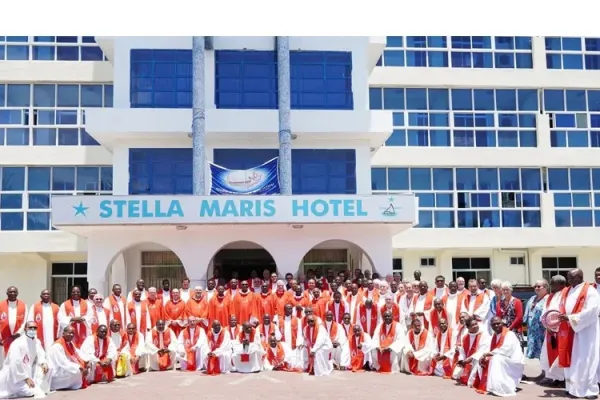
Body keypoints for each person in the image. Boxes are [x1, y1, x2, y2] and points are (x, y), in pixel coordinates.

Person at [556, 268, 600, 399]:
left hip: (585, 332)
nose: (569, 280)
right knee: (571, 359)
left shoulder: (590, 291)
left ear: (580, 277)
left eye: (572, 277)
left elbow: (592, 311)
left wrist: (570, 318)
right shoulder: (567, 290)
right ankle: (572, 387)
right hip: (568, 331)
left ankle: (589, 390)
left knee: (586, 359)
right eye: (568, 277)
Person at [472, 316, 525, 396]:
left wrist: (489, 354)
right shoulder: (493, 336)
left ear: (502, 324)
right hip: (502, 357)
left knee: (496, 359)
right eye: (494, 324)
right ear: (491, 325)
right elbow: (487, 348)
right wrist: (484, 355)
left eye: (498, 323)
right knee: (483, 359)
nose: (496, 326)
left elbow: (506, 350)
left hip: (512, 361)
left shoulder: (509, 334)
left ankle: (500, 387)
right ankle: (489, 385)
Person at [0, 322, 50, 399]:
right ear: (25, 329)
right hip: (14, 376)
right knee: (31, 392)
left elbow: (41, 353)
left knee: (48, 369)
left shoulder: (36, 341)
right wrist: (25, 378)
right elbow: (14, 363)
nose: (32, 329)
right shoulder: (18, 343)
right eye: (30, 328)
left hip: (26, 372)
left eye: (34, 328)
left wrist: (43, 363)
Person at [539, 275, 566, 387]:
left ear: (560, 284)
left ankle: (563, 379)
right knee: (549, 354)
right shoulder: (551, 296)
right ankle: (555, 378)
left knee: (561, 354)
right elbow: (545, 311)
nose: (550, 286)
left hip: (562, 330)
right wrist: (547, 325)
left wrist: (556, 326)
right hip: (550, 330)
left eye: (552, 283)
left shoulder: (566, 294)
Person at [47, 326, 92, 391]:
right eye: (70, 333)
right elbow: (63, 362)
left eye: (73, 333)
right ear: (63, 333)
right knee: (77, 371)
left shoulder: (69, 343)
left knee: (89, 366)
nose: (71, 335)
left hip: (66, 367)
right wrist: (79, 367)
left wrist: (87, 361)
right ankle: (59, 386)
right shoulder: (57, 346)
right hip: (57, 371)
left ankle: (77, 383)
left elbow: (78, 352)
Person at [454, 317, 490, 386]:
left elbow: (483, 350)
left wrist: (471, 359)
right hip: (467, 360)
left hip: (478, 359)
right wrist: (462, 360)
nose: (475, 326)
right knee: (456, 374)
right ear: (468, 327)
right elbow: (462, 351)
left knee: (471, 382)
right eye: (472, 325)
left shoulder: (484, 335)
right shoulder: (465, 337)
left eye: (476, 324)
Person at [523, 279, 549, 364]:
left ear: (545, 287)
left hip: (543, 331)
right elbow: (526, 314)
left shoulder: (548, 299)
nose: (536, 288)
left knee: (544, 353)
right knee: (535, 356)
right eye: (535, 286)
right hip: (532, 331)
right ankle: (541, 372)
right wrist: (524, 329)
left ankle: (546, 373)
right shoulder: (532, 298)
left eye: (538, 286)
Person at [0, 286, 27, 356]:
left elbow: (25, 321)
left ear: (17, 293)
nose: (12, 293)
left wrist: (19, 332)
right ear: (7, 293)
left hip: (18, 336)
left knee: (17, 356)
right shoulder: (1, 305)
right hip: (3, 337)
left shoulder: (23, 305)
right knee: (3, 359)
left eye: (14, 292)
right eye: (10, 292)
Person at [278, 304, 303, 370]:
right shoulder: (280, 320)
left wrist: (299, 342)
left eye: (291, 308)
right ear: (284, 310)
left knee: (293, 357)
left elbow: (299, 332)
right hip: (284, 342)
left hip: (293, 342)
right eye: (288, 309)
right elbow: (278, 332)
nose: (290, 310)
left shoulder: (297, 320)